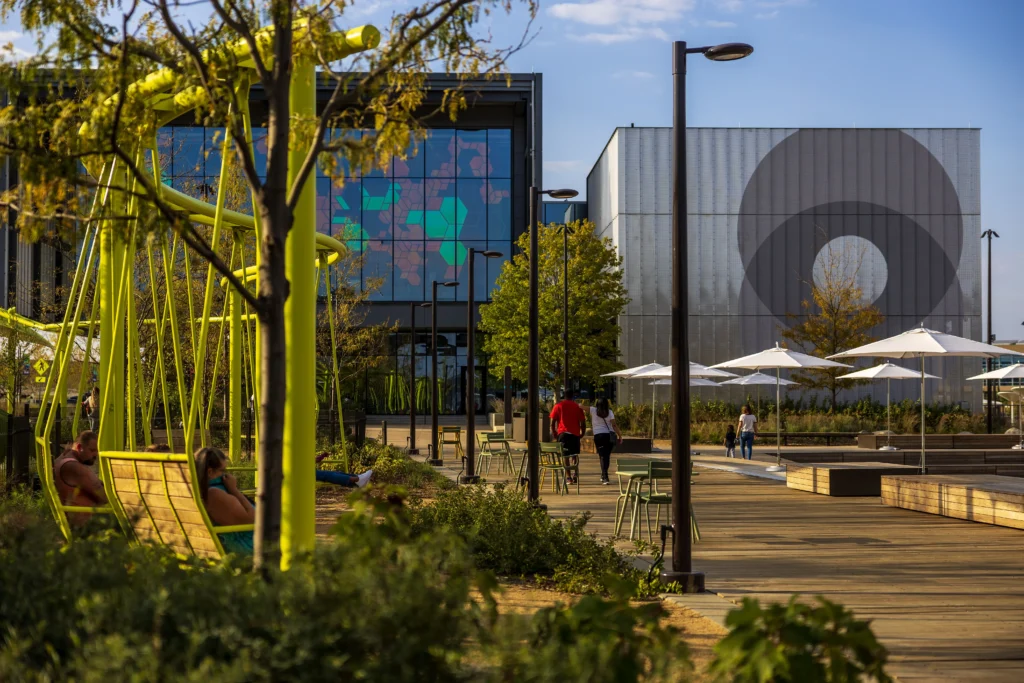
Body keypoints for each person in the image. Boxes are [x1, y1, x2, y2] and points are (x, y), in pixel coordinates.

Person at [195, 446, 255, 554]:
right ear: (210, 472)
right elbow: (253, 519)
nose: (226, 475)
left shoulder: (198, 489)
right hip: (245, 547)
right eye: (222, 471)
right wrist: (234, 490)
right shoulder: (214, 493)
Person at [53, 430, 107, 525]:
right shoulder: (75, 468)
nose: (96, 454)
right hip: (85, 524)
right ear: (79, 447)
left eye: (97, 451)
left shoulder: (63, 458)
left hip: (71, 518)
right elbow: (104, 497)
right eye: (92, 450)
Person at [550, 388, 587, 485]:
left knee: (565, 456)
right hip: (574, 434)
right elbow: (583, 422)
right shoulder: (577, 407)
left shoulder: (558, 406)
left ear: (564, 395)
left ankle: (568, 477)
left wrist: (555, 433)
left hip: (562, 434)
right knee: (574, 454)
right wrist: (582, 433)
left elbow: (552, 422)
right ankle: (575, 473)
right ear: (573, 395)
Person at [590, 397, 622, 485]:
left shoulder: (593, 410)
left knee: (602, 456)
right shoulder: (610, 412)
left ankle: (604, 476)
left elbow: (581, 406)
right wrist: (620, 435)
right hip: (608, 436)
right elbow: (614, 425)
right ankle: (604, 475)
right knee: (606, 456)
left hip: (598, 436)